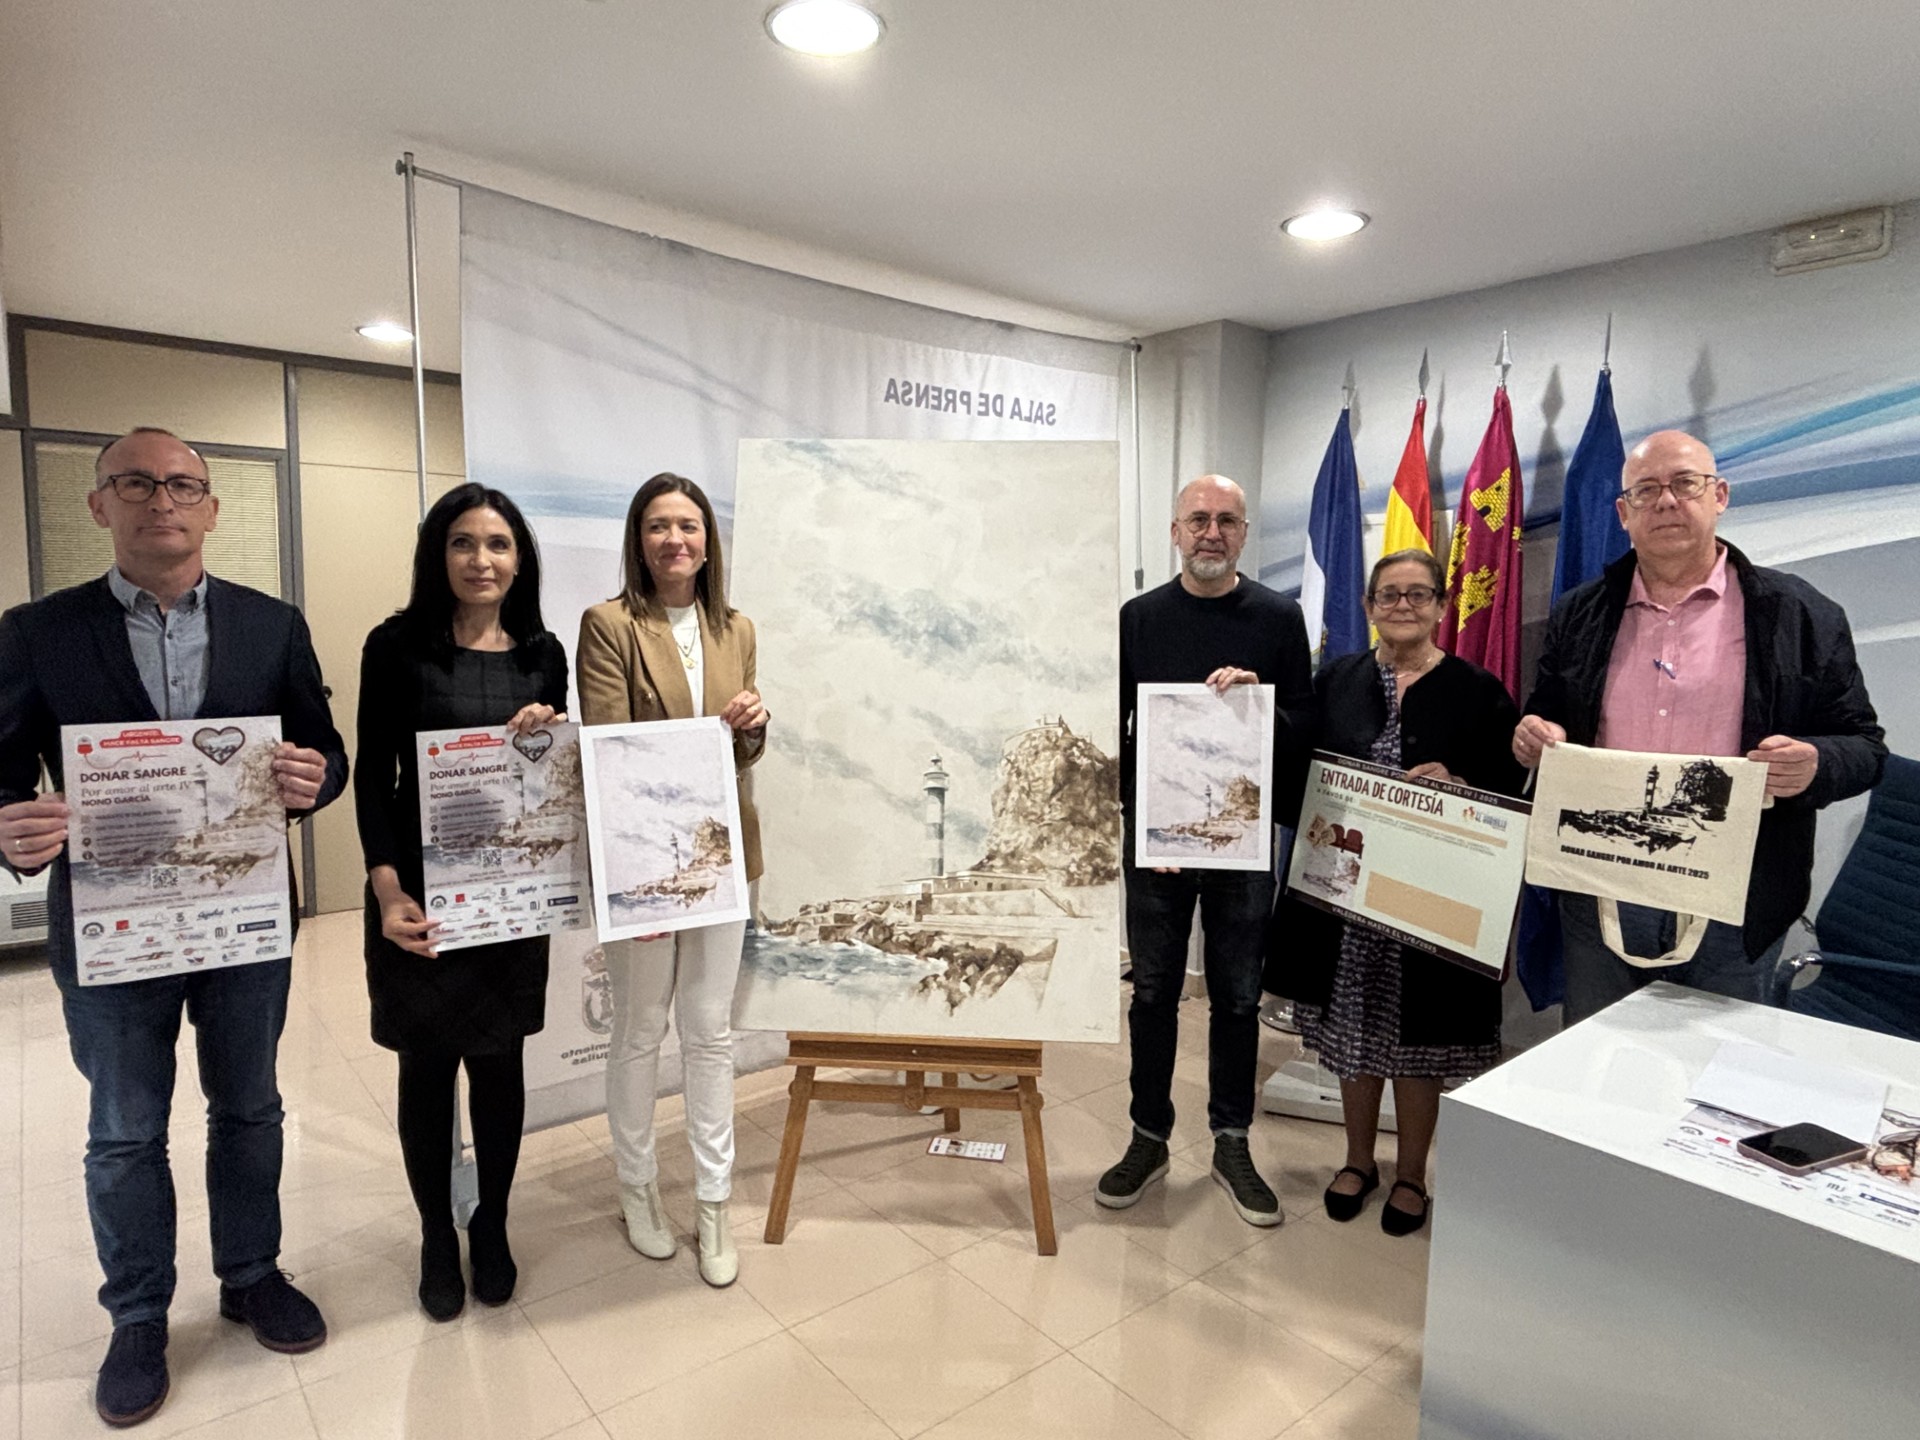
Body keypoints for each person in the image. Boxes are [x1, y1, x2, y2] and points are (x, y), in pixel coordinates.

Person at [0, 427, 346, 1427]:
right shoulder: (36, 631)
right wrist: (10, 828)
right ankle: (139, 1316)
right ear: (101, 503)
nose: (163, 499)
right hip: (115, 933)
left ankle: (249, 1275)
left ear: (211, 508)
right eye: (137, 482)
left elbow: (320, 747)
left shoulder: (270, 625)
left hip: (241, 924)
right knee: (123, 1131)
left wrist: (316, 778)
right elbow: (1, 770)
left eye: (183, 484)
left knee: (250, 1109)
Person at [1515, 430, 1885, 1024]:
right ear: (1623, 513)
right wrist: (1533, 734)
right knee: (1596, 1068)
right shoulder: (1579, 614)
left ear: (1720, 496)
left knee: (1712, 1090)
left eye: (1685, 484)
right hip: (1601, 886)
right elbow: (1545, 713)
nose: (1666, 501)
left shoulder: (1801, 615)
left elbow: (1865, 747)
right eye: (1647, 490)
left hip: (1735, 897)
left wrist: (1815, 762)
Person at [354, 483, 569, 1320]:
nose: (482, 560)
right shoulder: (396, 646)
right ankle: (436, 1233)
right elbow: (375, 776)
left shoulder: (542, 653)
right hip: (420, 891)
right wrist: (384, 889)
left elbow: (552, 779)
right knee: (426, 1067)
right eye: (463, 543)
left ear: (521, 558)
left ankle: (494, 1222)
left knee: (499, 1062)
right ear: (437, 555)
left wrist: (538, 740)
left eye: (499, 544)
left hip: (508, 890)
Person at [1271, 550, 1523, 1236]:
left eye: (1418, 594)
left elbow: (1513, 797)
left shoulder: (1480, 690)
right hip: (1348, 903)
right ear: (1369, 606)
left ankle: (1412, 1173)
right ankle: (1357, 1162)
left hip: (1430, 902)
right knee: (1354, 1035)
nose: (1403, 605)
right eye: (1389, 594)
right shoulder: (1337, 681)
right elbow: (1298, 769)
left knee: (1421, 1044)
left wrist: (1467, 791)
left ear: (1442, 606)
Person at [1099, 474, 1314, 1226]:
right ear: (1175, 531)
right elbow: (1117, 730)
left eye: (1226, 520)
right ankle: (1148, 1135)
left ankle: (1230, 1140)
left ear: (1244, 533)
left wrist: (1263, 701)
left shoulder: (1280, 618)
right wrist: (1144, 821)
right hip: (1155, 848)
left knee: (1238, 997)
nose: (1211, 532)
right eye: (1198, 519)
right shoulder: (1137, 619)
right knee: (1154, 992)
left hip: (1243, 846)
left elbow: (1304, 724)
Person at [576, 473, 769, 1287]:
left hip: (724, 857)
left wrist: (756, 727)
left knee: (710, 1030)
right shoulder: (608, 624)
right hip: (644, 856)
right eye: (658, 526)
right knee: (639, 1030)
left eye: (687, 526)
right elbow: (610, 747)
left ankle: (716, 1203)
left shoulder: (737, 628)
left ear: (707, 539)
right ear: (639, 538)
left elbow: (742, 755)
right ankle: (639, 1189)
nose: (674, 540)